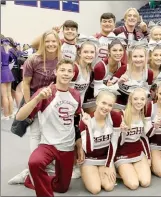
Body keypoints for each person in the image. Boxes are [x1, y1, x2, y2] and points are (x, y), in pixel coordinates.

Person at [8, 59, 84, 197]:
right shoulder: (45, 92)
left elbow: (76, 120)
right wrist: (36, 99)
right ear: (56, 72)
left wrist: (78, 145)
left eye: (69, 71)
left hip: (67, 146)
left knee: (62, 188)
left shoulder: (76, 95)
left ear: (73, 74)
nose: (66, 74)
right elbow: (19, 117)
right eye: (62, 70)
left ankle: (30, 179)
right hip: (48, 144)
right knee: (35, 162)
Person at [79, 91, 122, 194]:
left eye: (110, 105)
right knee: (95, 189)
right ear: (97, 102)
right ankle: (85, 171)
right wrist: (88, 126)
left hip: (105, 158)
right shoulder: (86, 120)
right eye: (103, 103)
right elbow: (88, 149)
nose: (106, 107)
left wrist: (108, 164)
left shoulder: (115, 117)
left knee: (109, 186)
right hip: (90, 158)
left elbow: (114, 143)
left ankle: (100, 171)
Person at [112, 87, 151, 190]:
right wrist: (122, 132)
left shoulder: (143, 115)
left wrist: (148, 157)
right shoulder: (120, 115)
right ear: (130, 100)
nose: (139, 102)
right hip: (122, 154)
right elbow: (114, 142)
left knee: (145, 182)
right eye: (136, 99)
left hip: (137, 151)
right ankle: (121, 171)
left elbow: (144, 138)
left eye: (142, 99)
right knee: (133, 185)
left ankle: (130, 170)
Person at [1, 38, 15, 120]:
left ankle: (6, 115)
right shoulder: (8, 51)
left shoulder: (1, 50)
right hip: (8, 72)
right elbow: (11, 60)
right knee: (9, 95)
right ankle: (10, 113)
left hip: (2, 72)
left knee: (4, 96)